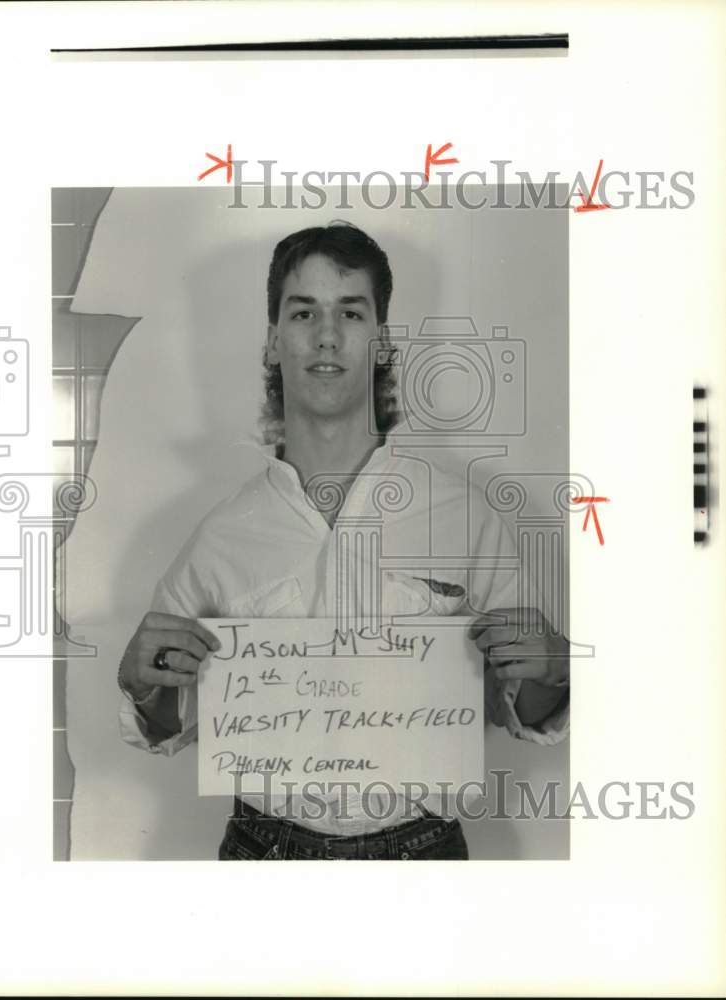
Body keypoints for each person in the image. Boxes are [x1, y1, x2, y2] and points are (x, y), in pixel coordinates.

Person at [117, 222, 570, 860]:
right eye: (303, 312)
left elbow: (522, 709)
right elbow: (172, 721)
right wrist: (143, 685)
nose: (327, 335)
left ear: (381, 341)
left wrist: (552, 670)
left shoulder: (467, 517)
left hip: (425, 856)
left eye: (350, 313)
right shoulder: (219, 536)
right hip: (262, 856)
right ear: (274, 341)